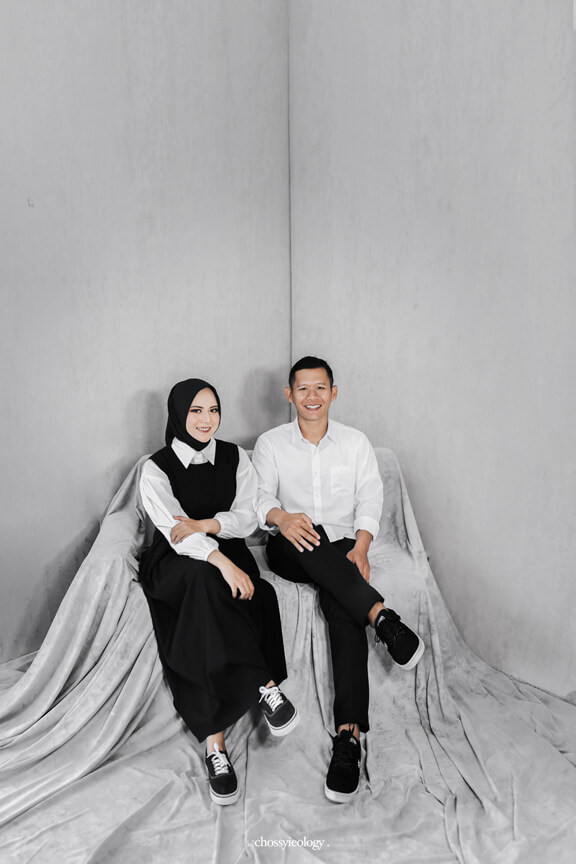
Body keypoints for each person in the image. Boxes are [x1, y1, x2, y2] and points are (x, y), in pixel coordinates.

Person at [252, 356, 424, 804]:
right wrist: (282, 518)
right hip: (290, 543)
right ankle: (382, 616)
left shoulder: (355, 442)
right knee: (306, 537)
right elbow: (259, 498)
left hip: (343, 547)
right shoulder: (271, 443)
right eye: (302, 389)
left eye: (320, 388)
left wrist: (362, 547)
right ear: (289, 395)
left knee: (341, 604)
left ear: (333, 392)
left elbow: (370, 497)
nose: (312, 397)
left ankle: (349, 737)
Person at [138, 378, 299, 806]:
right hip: (175, 561)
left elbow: (247, 518)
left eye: (213, 410)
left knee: (253, 597)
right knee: (208, 581)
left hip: (226, 548)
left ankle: (215, 745)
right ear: (177, 415)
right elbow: (175, 532)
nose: (206, 419)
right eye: (195, 411)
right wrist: (220, 560)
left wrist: (209, 525)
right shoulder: (156, 468)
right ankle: (264, 684)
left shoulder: (235, 457)